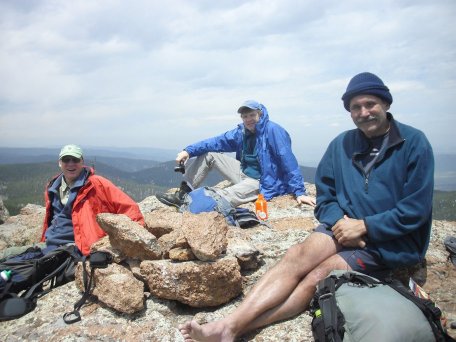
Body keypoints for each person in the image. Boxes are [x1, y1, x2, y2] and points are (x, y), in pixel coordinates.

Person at [179, 72, 434, 342]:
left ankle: (235, 330)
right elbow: (325, 195)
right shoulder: (341, 145)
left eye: (370, 104)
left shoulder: (413, 143)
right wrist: (339, 222)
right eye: (356, 107)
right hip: (343, 226)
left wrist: (365, 226)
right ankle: (227, 326)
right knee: (296, 256)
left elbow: (415, 209)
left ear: (385, 104)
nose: (364, 112)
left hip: (386, 241)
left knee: (318, 276)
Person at [156, 100, 316, 209]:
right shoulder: (241, 132)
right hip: (243, 172)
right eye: (245, 116)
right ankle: (184, 194)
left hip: (262, 181)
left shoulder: (273, 131)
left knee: (224, 196)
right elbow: (215, 142)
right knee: (209, 154)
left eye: (252, 115)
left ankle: (194, 205)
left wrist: (299, 192)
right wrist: (188, 151)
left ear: (260, 114)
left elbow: (288, 161)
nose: (248, 119)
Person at [1, 144, 145, 258]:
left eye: (75, 160)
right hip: (49, 243)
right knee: (7, 254)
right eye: (66, 160)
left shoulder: (96, 184)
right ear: (60, 163)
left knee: (18, 270)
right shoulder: (53, 186)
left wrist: (137, 238)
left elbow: (129, 207)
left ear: (82, 162)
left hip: (73, 247)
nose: (71, 164)